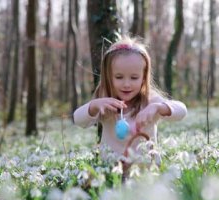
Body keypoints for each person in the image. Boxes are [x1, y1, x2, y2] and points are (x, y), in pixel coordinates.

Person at [74, 36, 187, 165]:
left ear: (143, 78)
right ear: (108, 77)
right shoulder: (105, 104)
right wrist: (93, 106)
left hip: (146, 173)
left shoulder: (150, 100)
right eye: (119, 77)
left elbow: (182, 111)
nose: (126, 84)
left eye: (134, 78)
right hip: (111, 171)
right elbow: (78, 120)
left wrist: (158, 107)